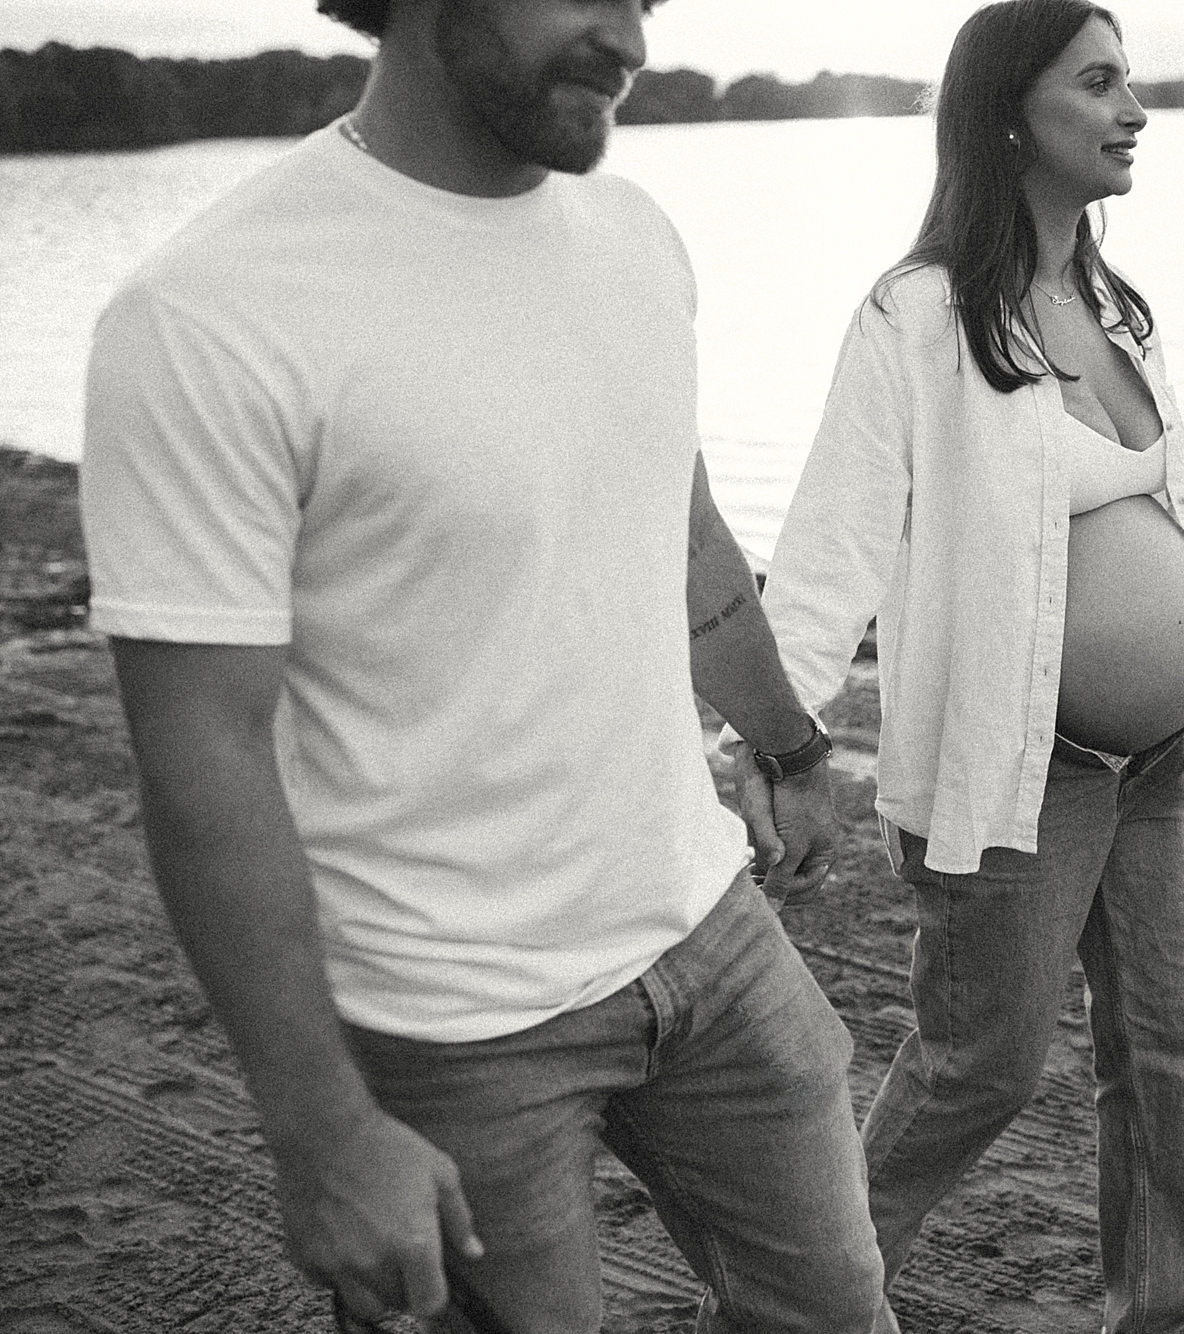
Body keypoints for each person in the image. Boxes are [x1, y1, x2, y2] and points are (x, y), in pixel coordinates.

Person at [78, 1, 897, 1331]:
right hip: (445, 1019)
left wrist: (792, 749)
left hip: (707, 935)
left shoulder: (636, 241)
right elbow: (200, 754)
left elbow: (681, 539)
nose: (629, 36)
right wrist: (323, 1131)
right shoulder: (208, 311)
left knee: (841, 1309)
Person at [746, 2, 1184, 1329]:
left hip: (1150, 764)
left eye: (1130, 78)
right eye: (1098, 82)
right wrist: (771, 749)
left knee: (1166, 1047)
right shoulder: (915, 317)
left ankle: (1172, 1311)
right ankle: (801, 1301)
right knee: (980, 1065)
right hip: (1021, 770)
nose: (1133, 108)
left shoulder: (1118, 309)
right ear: (1014, 112)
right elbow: (828, 548)